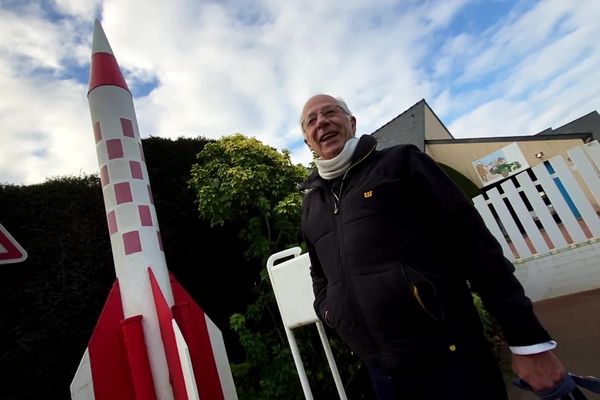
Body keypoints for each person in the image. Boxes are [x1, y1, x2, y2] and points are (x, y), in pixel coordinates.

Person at [299, 94, 566, 399]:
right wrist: (329, 308)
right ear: (307, 140)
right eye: (311, 121)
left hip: (452, 362)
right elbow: (319, 274)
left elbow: (475, 247)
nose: (321, 122)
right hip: (383, 374)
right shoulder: (311, 205)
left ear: (352, 122)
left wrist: (527, 340)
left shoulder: (402, 163)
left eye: (331, 112)